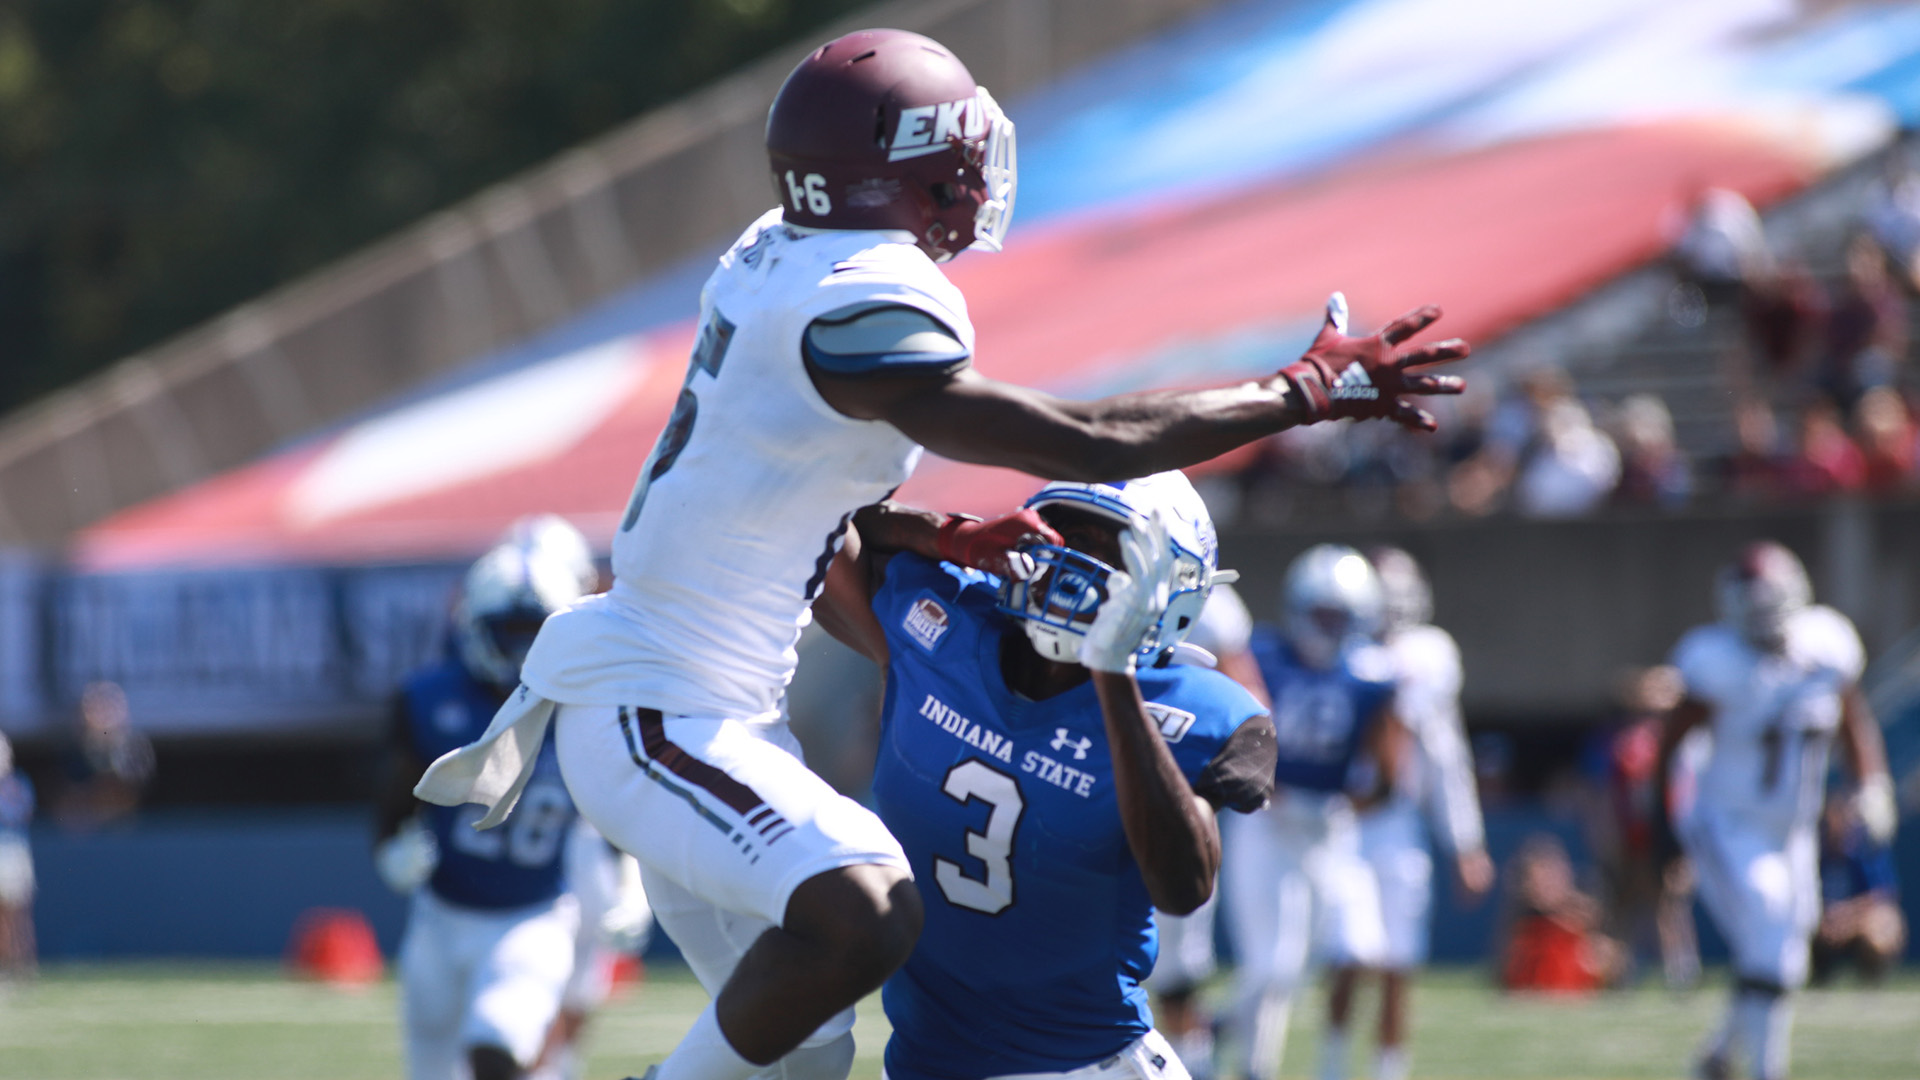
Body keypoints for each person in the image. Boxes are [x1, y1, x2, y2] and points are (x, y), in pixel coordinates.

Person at [411, 27, 1468, 1080]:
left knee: (804, 1058)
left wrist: (931, 530)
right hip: (657, 703)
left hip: (712, 705)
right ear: (903, 167)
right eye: (955, 154)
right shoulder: (862, 292)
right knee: (870, 909)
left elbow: (793, 491)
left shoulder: (780, 251)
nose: (974, 180)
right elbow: (1090, 441)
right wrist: (1303, 391)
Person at [810, 471, 1276, 1080]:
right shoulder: (950, 627)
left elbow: (1183, 887)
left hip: (1089, 1066)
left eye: (1112, 550)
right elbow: (815, 522)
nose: (1073, 563)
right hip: (925, 1063)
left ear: (1174, 591)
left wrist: (1113, 674)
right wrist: (956, 537)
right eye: (1063, 535)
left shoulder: (1195, 710)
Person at [1658, 541, 1897, 1080]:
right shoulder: (1713, 659)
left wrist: (1873, 784)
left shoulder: (1826, 645)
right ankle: (1768, 1071)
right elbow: (1669, 745)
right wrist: (1662, 826)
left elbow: (1852, 717)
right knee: (1768, 932)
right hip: (1727, 822)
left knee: (1785, 958)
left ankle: (1719, 1057)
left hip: (1794, 827)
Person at [374, 517, 599, 1080]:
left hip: (534, 914)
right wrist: (388, 843)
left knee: (497, 1043)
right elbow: (397, 787)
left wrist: (625, 876)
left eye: (536, 631)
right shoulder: (430, 698)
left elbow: (615, 800)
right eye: (511, 631)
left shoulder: (587, 703)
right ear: (475, 625)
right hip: (441, 914)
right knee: (429, 1068)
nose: (523, 649)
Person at [1223, 546, 1404, 1080]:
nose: (1328, 627)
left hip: (1327, 824)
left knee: (1358, 949)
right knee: (1271, 966)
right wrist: (1262, 786)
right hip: (1265, 816)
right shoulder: (1263, 656)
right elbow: (1232, 735)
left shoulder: (1373, 676)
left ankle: (1223, 1027)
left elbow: (1390, 772)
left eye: (1339, 615)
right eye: (1321, 613)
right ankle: (1254, 1066)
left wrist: (1344, 808)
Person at [1320, 547, 1490, 1080]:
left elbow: (1446, 754)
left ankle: (1388, 1073)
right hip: (1345, 823)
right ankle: (1332, 1069)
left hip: (1401, 824)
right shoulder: (1341, 652)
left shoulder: (1432, 654)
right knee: (1353, 954)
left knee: (1399, 961)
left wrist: (1465, 841)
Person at [1147, 583, 1269, 1080]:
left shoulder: (1216, 611)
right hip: (1091, 775)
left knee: (1179, 961)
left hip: (1178, 789)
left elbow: (1251, 704)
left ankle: (1193, 1064)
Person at [1811, 789, 1905, 985]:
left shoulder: (1865, 850)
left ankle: (1872, 981)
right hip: (1824, 923)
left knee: (1881, 928)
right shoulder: (1813, 851)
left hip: (1857, 923)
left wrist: (1848, 917)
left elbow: (1882, 896)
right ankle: (1816, 975)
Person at [0, 732, 34, 978]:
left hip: (12, 852)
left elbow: (19, 813)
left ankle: (24, 966)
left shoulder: (16, 784)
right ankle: (8, 967)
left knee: (18, 915)